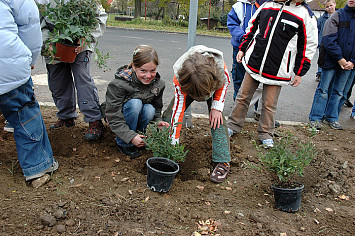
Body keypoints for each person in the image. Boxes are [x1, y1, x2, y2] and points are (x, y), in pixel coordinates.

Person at [228, 0, 317, 148]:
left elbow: (308, 45)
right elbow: (251, 28)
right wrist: (243, 48)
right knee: (242, 97)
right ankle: (232, 125)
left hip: (278, 68)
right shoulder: (266, 6)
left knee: (269, 104)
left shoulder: (305, 15)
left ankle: (266, 134)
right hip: (255, 62)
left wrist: (300, 72)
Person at [0, 0, 58, 187]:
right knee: (25, 113)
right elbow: (31, 28)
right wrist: (29, 60)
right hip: (8, 69)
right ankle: (38, 168)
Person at [39, 0, 108, 140]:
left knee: (83, 79)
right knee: (57, 82)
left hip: (80, 43)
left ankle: (94, 120)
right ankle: (66, 117)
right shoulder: (41, 2)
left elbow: (99, 17)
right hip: (53, 42)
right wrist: (47, 43)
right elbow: (37, 22)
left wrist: (86, 37)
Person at [163, 45, 231, 183]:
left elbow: (225, 84)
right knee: (170, 115)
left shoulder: (219, 69)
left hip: (211, 86)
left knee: (217, 120)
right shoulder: (181, 80)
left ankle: (223, 160)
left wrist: (216, 107)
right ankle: (165, 147)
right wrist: (173, 143)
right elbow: (178, 111)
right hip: (191, 85)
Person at [101, 45, 169, 159]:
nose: (148, 76)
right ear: (133, 66)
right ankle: (124, 143)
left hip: (135, 117)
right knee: (135, 104)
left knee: (149, 109)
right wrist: (130, 136)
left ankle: (139, 138)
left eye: (152, 70)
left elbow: (157, 108)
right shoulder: (119, 84)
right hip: (118, 118)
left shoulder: (158, 84)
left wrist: (158, 121)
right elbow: (114, 116)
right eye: (143, 71)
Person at [309, 0, 355, 130]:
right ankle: (315, 117)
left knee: (339, 92)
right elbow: (328, 39)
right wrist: (340, 58)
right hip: (331, 61)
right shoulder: (338, 15)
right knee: (323, 90)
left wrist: (352, 62)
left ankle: (331, 117)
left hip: (349, 64)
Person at [315, 0, 336, 82]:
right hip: (323, 43)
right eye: (327, 7)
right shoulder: (321, 19)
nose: (329, 8)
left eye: (331, 5)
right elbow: (317, 31)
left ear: (334, 4)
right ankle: (320, 73)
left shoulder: (340, 17)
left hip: (334, 42)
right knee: (322, 58)